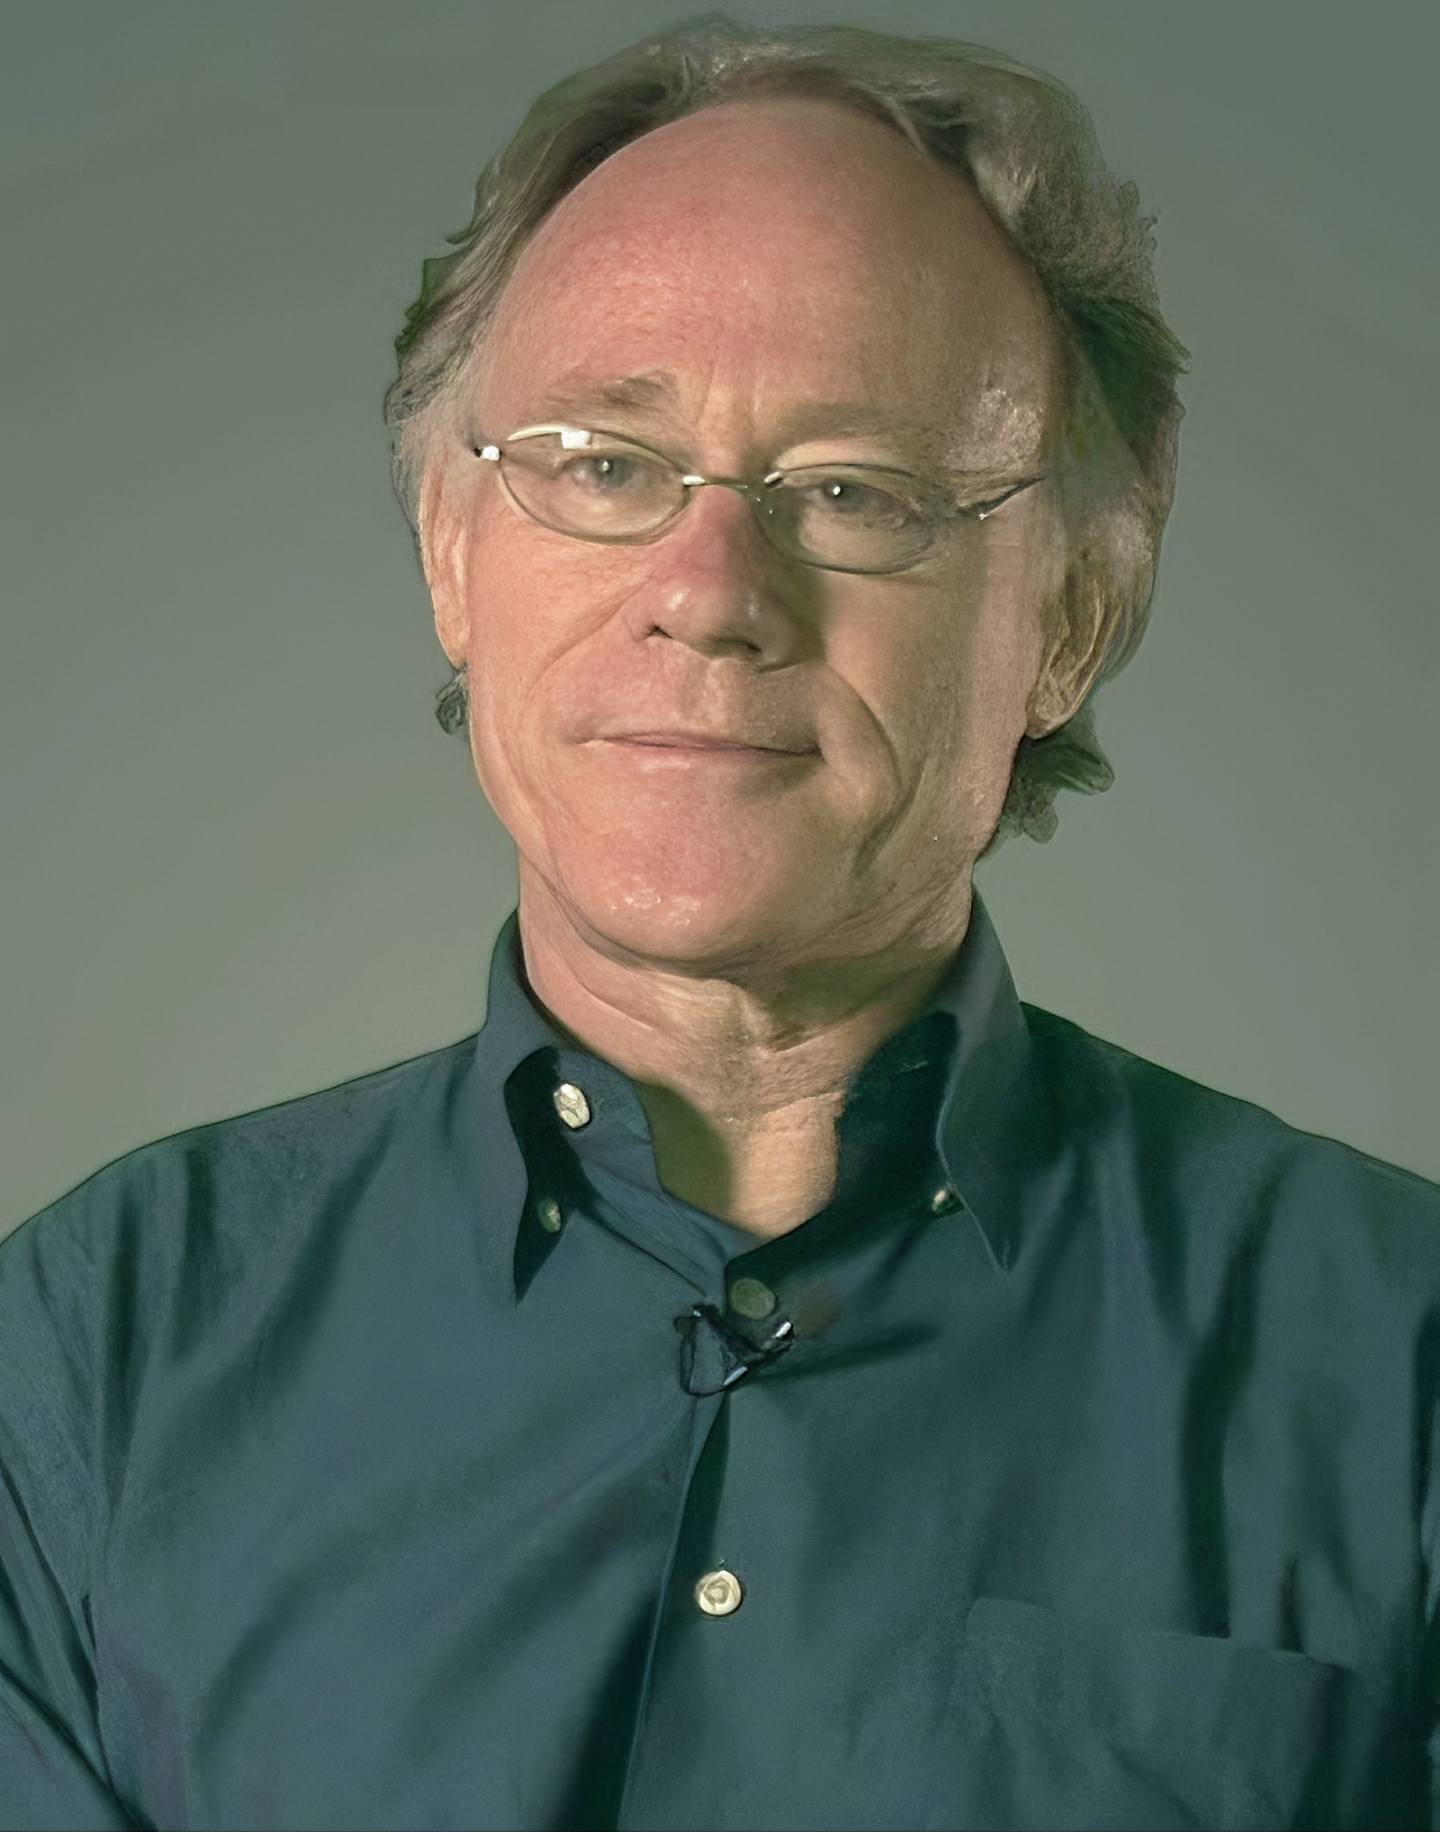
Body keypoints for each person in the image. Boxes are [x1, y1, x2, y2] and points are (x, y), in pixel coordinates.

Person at [1, 18, 1435, 1830]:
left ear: (1070, 621)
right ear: (451, 551)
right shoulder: (90, 1352)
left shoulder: (1399, 1361)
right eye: (605, 465)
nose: (708, 593)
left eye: (854, 492)